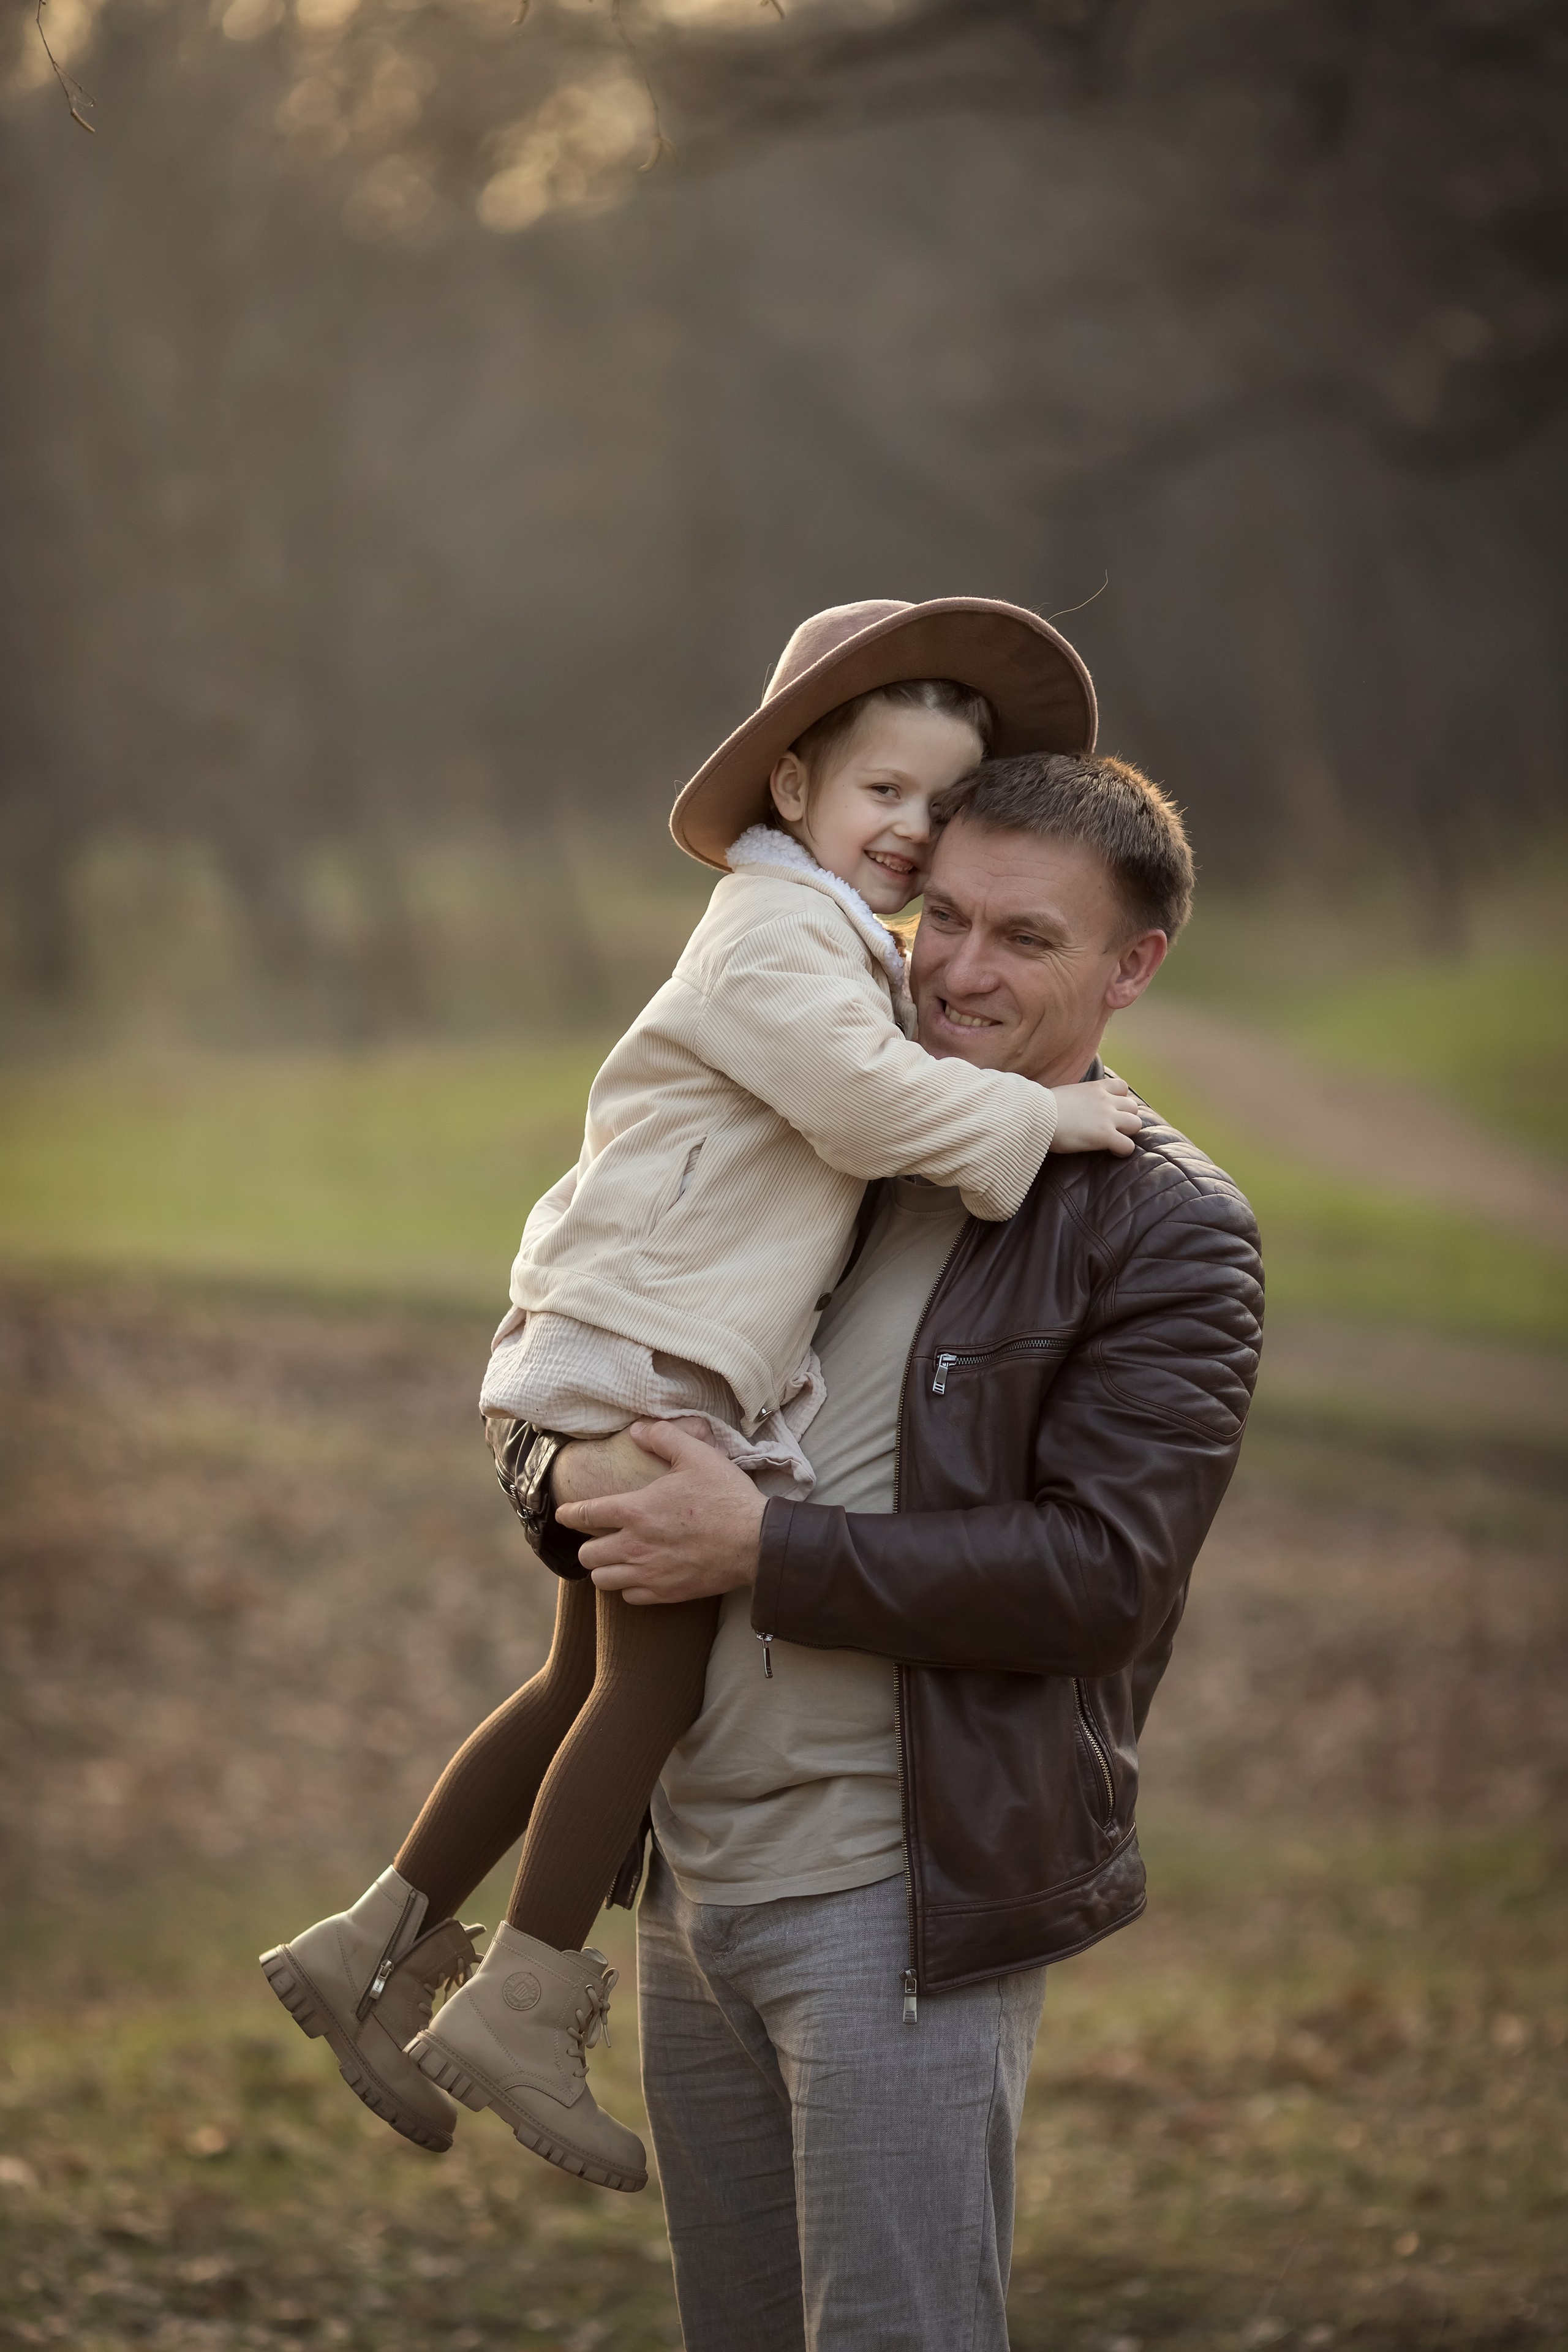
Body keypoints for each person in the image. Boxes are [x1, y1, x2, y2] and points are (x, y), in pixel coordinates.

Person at [259, 598, 1139, 2190]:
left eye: (940, 807)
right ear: (793, 788)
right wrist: (1050, 1126)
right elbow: (868, 1109)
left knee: (569, 1691)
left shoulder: (819, 936)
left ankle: (368, 1945)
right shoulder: (772, 933)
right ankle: (523, 2005)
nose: (910, 832)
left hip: (615, 1356)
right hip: (641, 1377)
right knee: (647, 1696)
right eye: (883, 793)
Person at [541, 750, 1264, 2352]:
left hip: (895, 1896)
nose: (956, 968)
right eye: (944, 916)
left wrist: (764, 1549)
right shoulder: (842, 1130)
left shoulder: (1166, 1227)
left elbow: (1102, 1582)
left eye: (1026, 939)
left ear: (1132, 968)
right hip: (700, 1878)